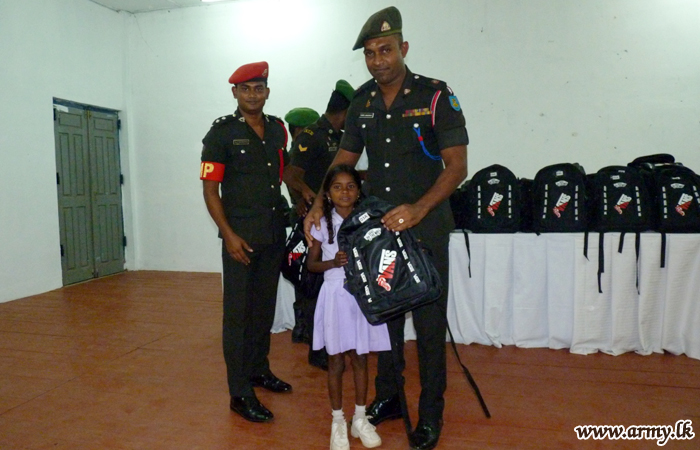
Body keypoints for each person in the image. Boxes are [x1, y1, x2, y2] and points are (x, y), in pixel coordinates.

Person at [304, 7, 469, 450]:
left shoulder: (435, 96)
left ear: (403, 48)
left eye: (386, 50)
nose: (378, 60)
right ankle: (390, 397)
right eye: (370, 53)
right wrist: (317, 204)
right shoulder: (362, 102)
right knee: (383, 318)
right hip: (380, 233)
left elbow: (457, 166)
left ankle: (430, 413)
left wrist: (419, 208)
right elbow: (345, 159)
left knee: (429, 325)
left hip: (426, 227)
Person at [200, 61, 293, 423]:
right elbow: (210, 190)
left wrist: (304, 195)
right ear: (235, 93)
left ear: (267, 92)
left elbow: (284, 174)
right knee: (238, 315)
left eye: (259, 88)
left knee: (263, 309)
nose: (253, 95)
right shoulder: (221, 134)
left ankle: (258, 369)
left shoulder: (278, 130)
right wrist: (228, 235)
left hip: (272, 234)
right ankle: (239, 392)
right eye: (245, 89)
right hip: (240, 238)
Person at [306, 164, 391, 450]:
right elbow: (311, 264)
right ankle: (338, 421)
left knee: (361, 357)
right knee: (336, 361)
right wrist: (333, 263)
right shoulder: (321, 223)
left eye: (351, 186)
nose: (344, 192)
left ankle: (360, 418)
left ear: (358, 191)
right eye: (337, 187)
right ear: (328, 193)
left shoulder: (368, 220)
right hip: (335, 295)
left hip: (362, 296)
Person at [284, 81, 355, 370]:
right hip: (314, 220)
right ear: (345, 111)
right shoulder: (312, 135)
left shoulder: (339, 136)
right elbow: (290, 174)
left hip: (333, 220)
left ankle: (324, 339)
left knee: (329, 281)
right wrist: (307, 197)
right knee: (313, 283)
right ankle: (317, 347)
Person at [284, 106, 322, 346]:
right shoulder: (295, 152)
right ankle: (303, 326)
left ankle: (305, 325)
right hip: (303, 217)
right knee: (304, 272)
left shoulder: (299, 149)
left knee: (308, 272)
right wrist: (299, 200)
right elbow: (290, 180)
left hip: (311, 215)